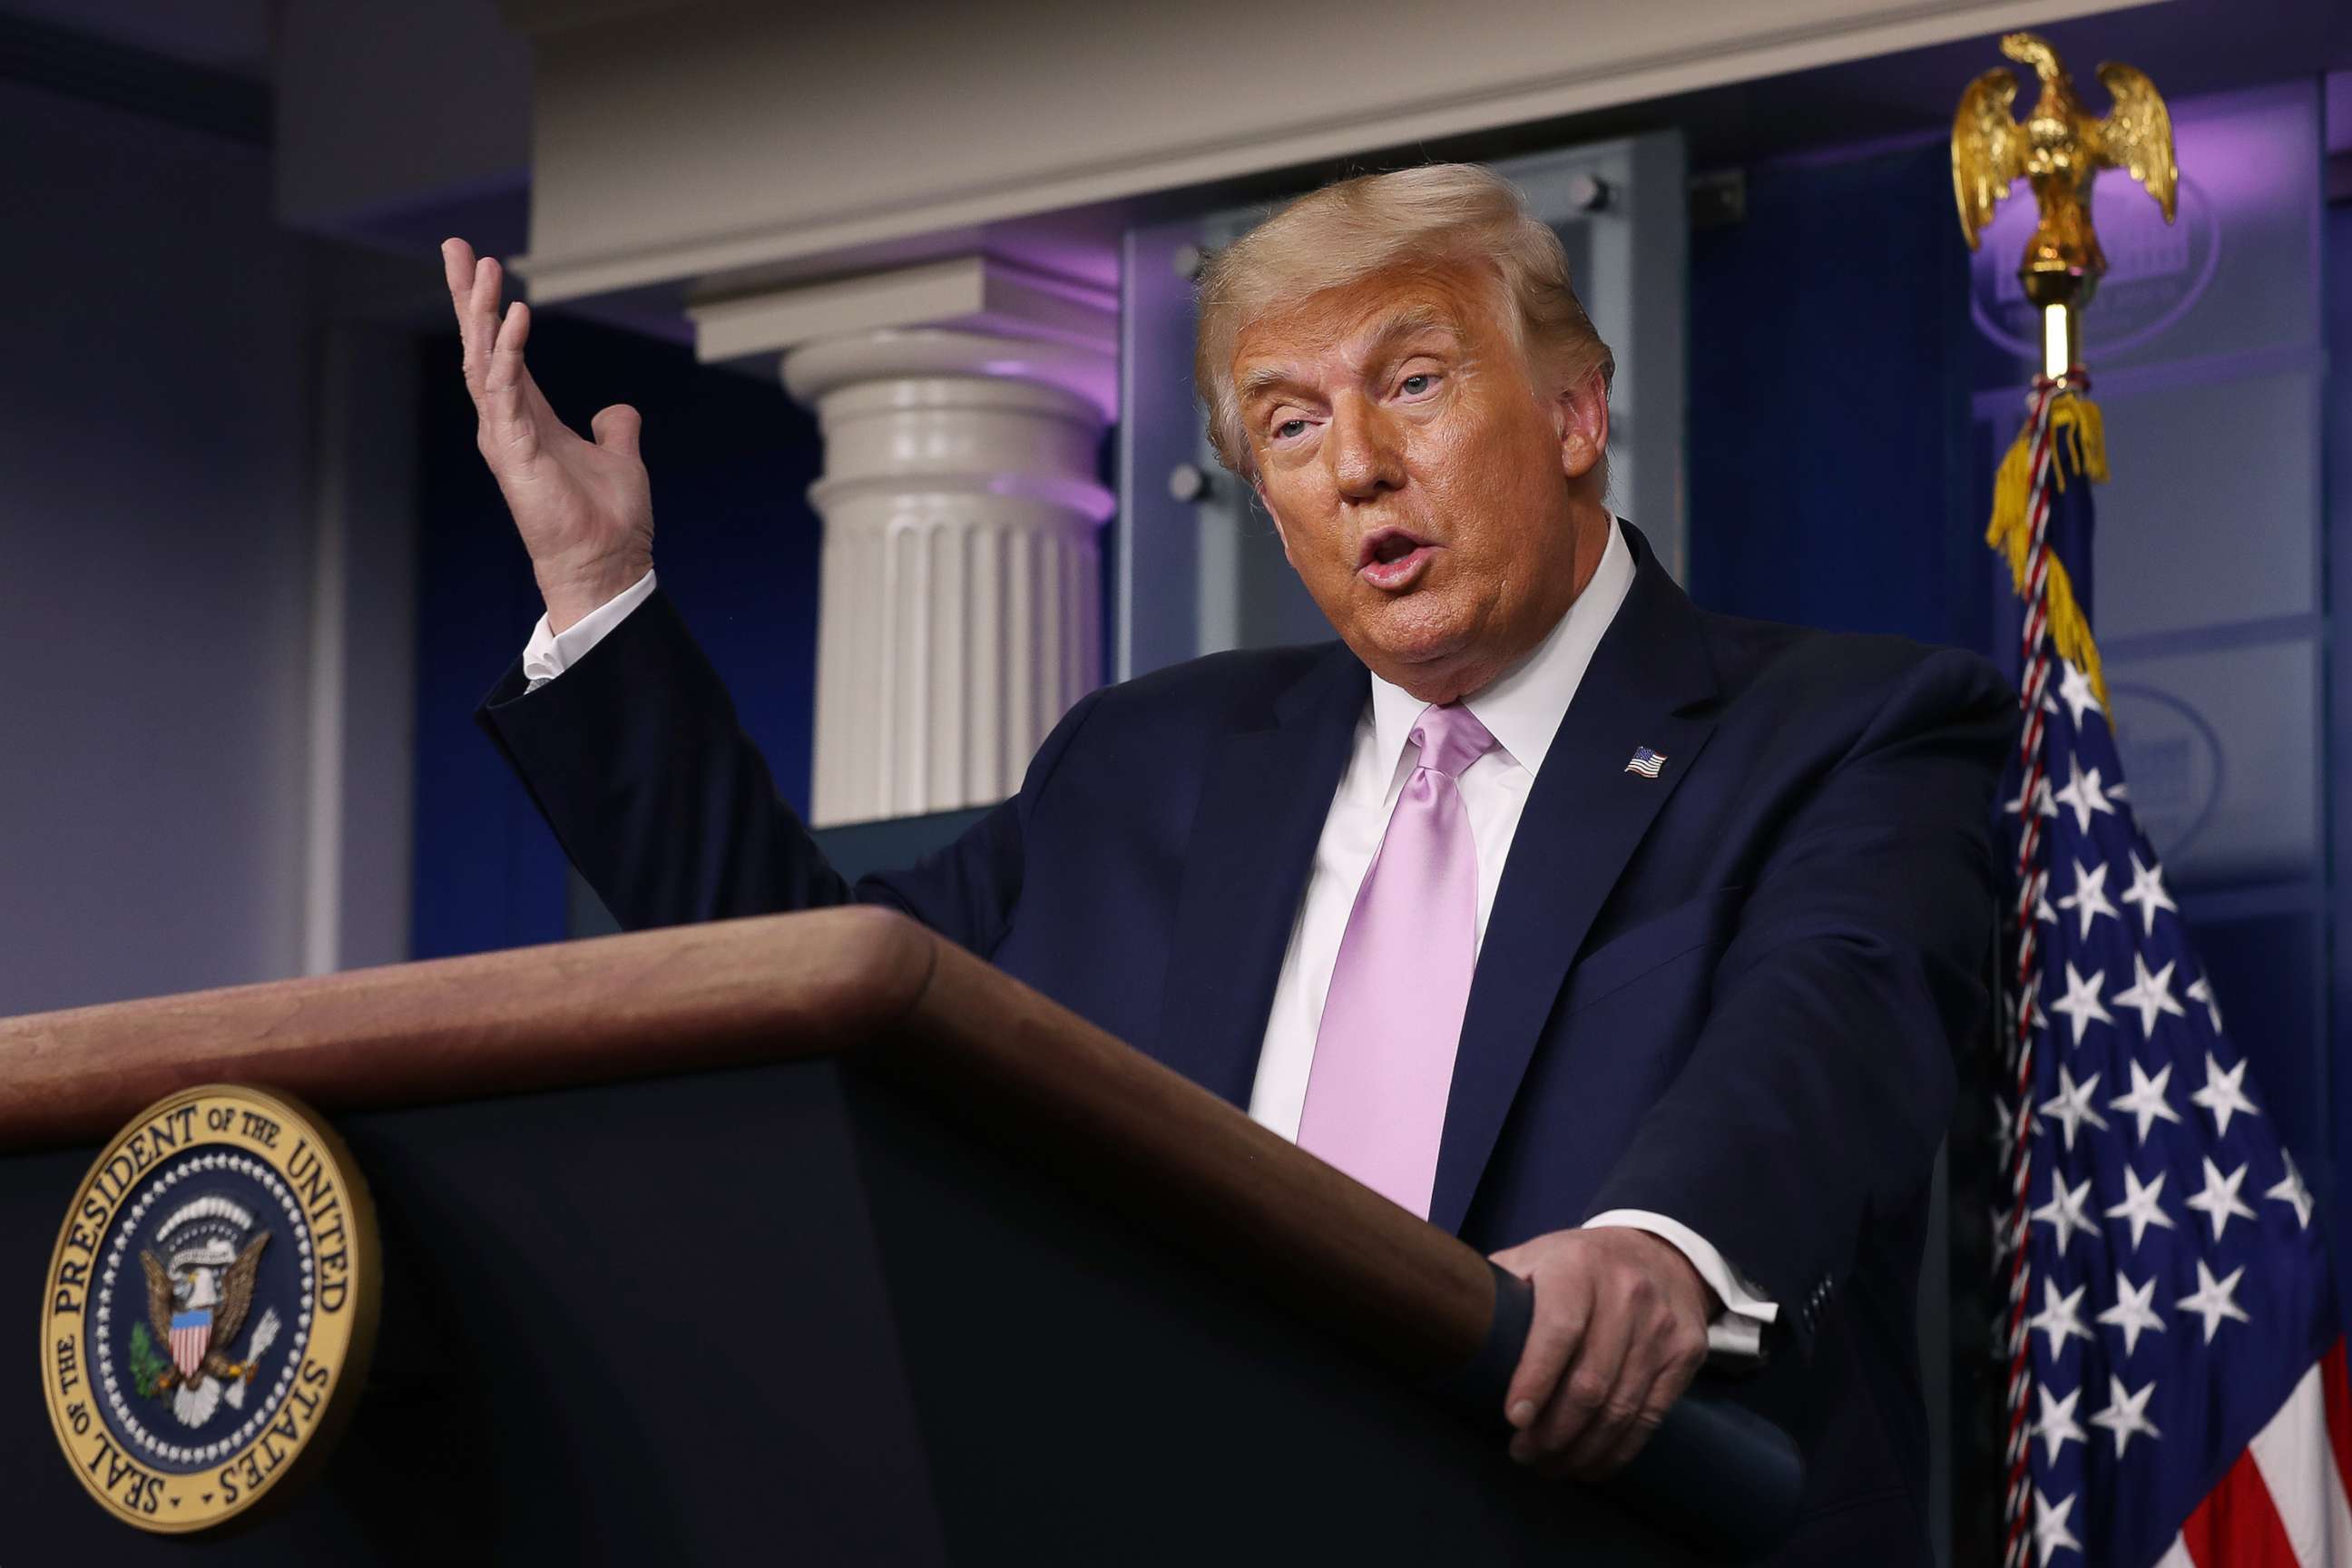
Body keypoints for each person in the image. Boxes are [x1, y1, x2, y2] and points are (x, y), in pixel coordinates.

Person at [443, 162, 2009, 1563]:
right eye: (1292, 423)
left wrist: (1662, 1250)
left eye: (1414, 381)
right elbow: (814, 994)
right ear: (1264, 497)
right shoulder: (1144, 767)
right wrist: (600, 590)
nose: (1359, 466)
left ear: (1575, 413)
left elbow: (1835, 1025)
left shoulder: (1849, 730)